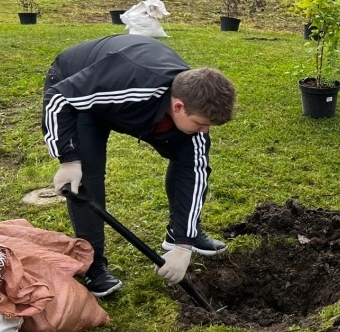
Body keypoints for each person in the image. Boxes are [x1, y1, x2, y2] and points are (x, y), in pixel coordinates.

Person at [42, 35, 237, 297]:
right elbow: (60, 98)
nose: (205, 131)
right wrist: (68, 158)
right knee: (86, 176)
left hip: (127, 97)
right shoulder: (135, 86)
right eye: (201, 123)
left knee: (187, 159)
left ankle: (177, 233)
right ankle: (93, 264)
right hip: (77, 88)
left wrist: (184, 244)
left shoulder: (191, 103)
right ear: (178, 106)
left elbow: (195, 174)